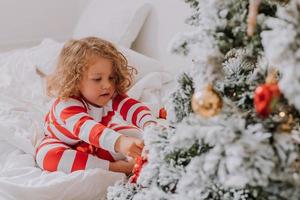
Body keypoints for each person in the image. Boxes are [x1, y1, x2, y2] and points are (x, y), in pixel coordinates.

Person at [35, 37, 157, 175]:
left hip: (96, 141)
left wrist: (150, 125)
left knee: (136, 134)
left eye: (111, 78)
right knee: (45, 157)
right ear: (75, 79)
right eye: (97, 79)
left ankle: (110, 157)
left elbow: (131, 107)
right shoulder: (66, 104)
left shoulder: (108, 93)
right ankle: (115, 167)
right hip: (62, 142)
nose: (107, 85)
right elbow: (86, 128)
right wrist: (120, 143)